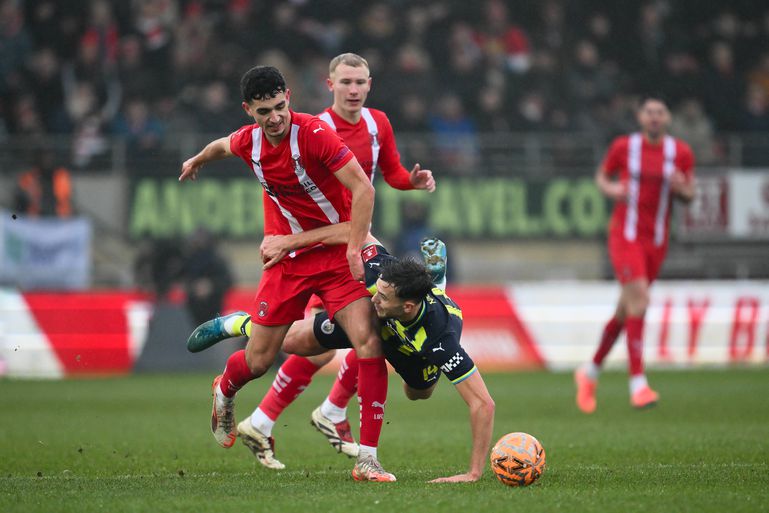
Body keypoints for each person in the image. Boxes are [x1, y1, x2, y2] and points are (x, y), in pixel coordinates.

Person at [188, 53, 436, 472]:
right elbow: (222, 146)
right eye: (264, 112)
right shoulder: (250, 140)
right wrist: (196, 159)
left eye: (280, 107)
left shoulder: (319, 132)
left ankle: (368, 460)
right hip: (288, 261)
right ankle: (227, 391)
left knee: (368, 340)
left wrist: (356, 248)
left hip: (338, 255)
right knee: (261, 360)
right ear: (249, 111)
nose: (274, 118)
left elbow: (367, 189)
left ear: (289, 97)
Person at [191, 230, 496, 483]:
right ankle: (241, 323)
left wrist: (473, 473)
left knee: (419, 392)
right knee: (296, 342)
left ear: (406, 306)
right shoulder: (380, 272)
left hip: (415, 353)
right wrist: (291, 242)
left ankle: (436, 281)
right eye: (378, 291)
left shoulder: (440, 340)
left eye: (383, 296)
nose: (374, 298)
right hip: (380, 324)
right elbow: (359, 232)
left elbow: (483, 403)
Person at [574, 94, 696, 413]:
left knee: (626, 310)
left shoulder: (681, 152)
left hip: (656, 241)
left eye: (660, 112)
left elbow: (690, 193)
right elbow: (602, 177)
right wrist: (612, 189)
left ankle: (589, 373)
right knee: (639, 299)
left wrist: (682, 187)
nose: (654, 117)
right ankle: (638, 384)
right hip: (625, 236)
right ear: (640, 117)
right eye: (649, 112)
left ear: (667, 118)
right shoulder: (624, 147)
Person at [13, 149, 73, 218]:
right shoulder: (30, 176)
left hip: (59, 217)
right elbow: (21, 195)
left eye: (50, 158)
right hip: (34, 217)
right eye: (44, 158)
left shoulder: (62, 175)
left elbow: (65, 197)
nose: (47, 161)